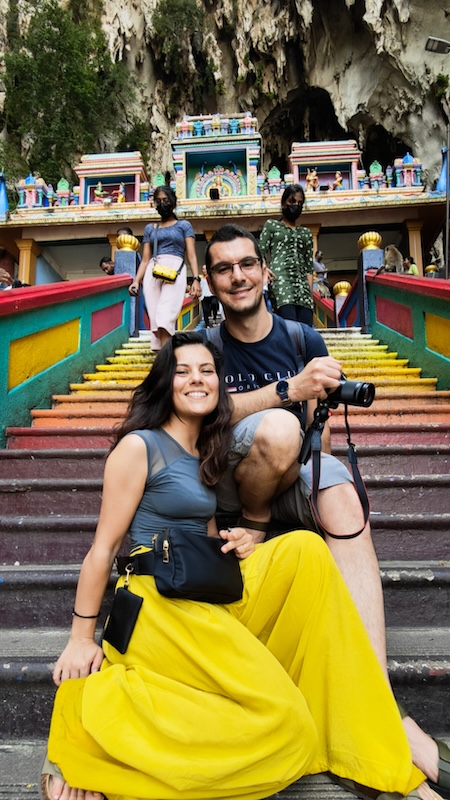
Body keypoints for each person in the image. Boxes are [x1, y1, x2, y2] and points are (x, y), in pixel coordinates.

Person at [41, 330, 433, 800]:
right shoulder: (139, 447)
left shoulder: (203, 453)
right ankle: (89, 737)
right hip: (156, 604)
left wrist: (238, 542)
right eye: (183, 371)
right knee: (287, 728)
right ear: (165, 383)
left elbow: (205, 548)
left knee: (305, 551)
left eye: (207, 371)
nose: (197, 379)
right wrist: (81, 639)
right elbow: (102, 550)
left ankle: (370, 730)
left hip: (198, 594)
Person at [203, 223, 449, 795]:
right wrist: (288, 391)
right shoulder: (204, 348)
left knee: (338, 488)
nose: (237, 276)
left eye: (246, 264)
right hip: (230, 491)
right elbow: (195, 421)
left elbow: (322, 438)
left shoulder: (301, 337)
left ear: (265, 272)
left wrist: (321, 486)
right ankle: (261, 527)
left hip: (290, 471)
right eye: (223, 268)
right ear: (210, 282)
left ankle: (378, 701)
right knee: (282, 424)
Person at [129, 186, 201, 351]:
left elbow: (191, 255)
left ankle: (167, 360)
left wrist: (196, 279)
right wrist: (136, 281)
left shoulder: (184, 225)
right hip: (153, 272)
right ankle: (161, 356)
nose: (162, 204)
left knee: (165, 316)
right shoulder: (150, 228)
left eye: (166, 200)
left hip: (176, 269)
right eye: (159, 201)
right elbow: (145, 258)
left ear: (173, 203)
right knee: (155, 318)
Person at [259, 184, 314, 326]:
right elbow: (260, 251)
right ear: (284, 203)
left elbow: (309, 267)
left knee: (306, 331)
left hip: (303, 288)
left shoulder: (306, 233)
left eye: (300, 203)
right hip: (281, 282)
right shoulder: (271, 225)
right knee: (288, 328)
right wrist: (264, 268)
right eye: (292, 201)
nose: (296, 205)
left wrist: (309, 293)